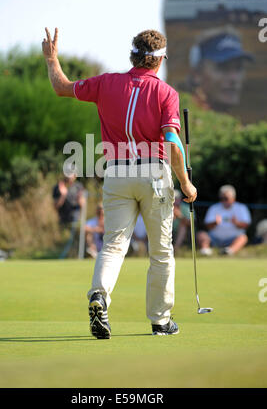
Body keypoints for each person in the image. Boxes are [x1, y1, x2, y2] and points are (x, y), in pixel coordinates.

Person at [42, 27, 197, 339]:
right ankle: (160, 321)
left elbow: (61, 87)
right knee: (161, 251)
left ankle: (99, 296)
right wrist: (186, 182)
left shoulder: (106, 82)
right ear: (158, 59)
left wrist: (52, 59)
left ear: (134, 55)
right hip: (153, 173)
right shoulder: (166, 93)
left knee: (113, 244)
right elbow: (171, 141)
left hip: (115, 171)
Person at [188, 26, 254, 112]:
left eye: (239, 68)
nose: (234, 78)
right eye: (222, 68)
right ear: (196, 74)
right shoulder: (178, 119)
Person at [197, 185, 251, 256]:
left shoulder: (241, 208)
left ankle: (229, 251)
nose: (223, 201)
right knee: (201, 234)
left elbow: (246, 225)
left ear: (233, 198)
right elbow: (207, 226)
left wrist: (237, 223)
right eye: (221, 198)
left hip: (233, 239)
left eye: (226, 198)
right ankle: (205, 251)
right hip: (214, 239)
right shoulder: (214, 208)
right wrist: (215, 223)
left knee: (243, 238)